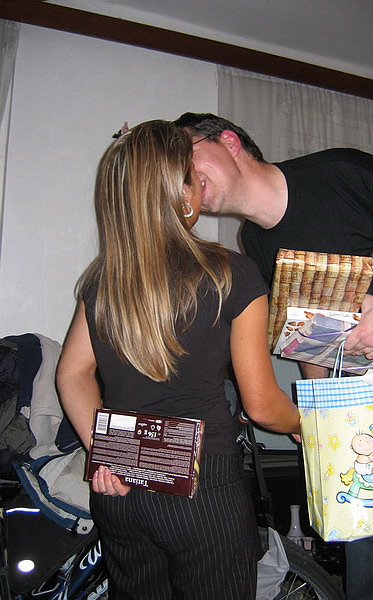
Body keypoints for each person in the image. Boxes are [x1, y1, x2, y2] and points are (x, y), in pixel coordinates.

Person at [173, 112, 373, 600]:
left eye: (185, 153)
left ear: (229, 141)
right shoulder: (254, 242)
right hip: (357, 399)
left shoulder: (339, 173)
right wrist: (321, 418)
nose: (181, 175)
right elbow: (308, 337)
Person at [56, 120, 301, 600]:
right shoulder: (232, 273)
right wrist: (304, 425)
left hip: (121, 490)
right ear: (180, 192)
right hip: (202, 492)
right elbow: (262, 405)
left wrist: (103, 452)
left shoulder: (105, 279)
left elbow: (73, 373)